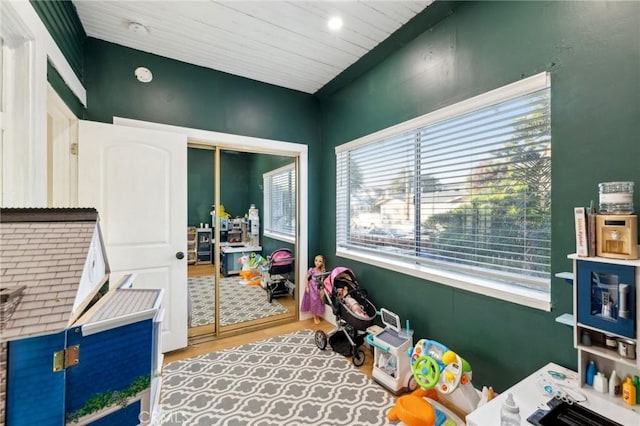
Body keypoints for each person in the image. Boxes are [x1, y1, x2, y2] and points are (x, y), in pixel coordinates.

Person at [301, 254, 326, 324]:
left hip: (318, 287)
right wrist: (307, 287)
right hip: (312, 287)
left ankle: (317, 315)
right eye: (316, 260)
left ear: (322, 263)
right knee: (313, 302)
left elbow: (322, 280)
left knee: (318, 302)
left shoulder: (322, 271)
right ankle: (315, 317)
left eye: (320, 261)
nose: (317, 262)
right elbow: (306, 278)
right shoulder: (312, 270)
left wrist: (322, 288)